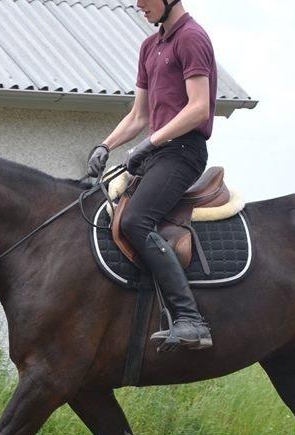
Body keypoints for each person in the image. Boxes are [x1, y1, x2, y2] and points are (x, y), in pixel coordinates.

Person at [88, 0, 217, 352]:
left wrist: (150, 143)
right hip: (156, 153)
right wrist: (105, 145)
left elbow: (199, 107)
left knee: (137, 221)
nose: (138, 5)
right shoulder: (149, 46)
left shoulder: (191, 37)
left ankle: (191, 320)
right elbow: (139, 115)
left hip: (182, 153)